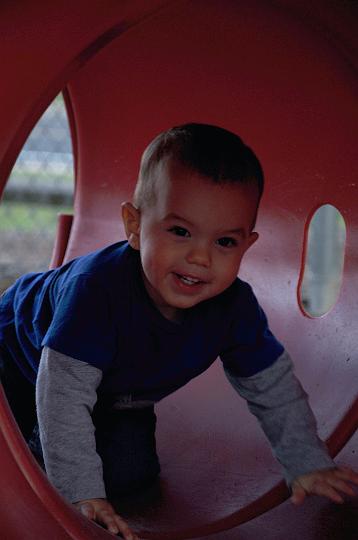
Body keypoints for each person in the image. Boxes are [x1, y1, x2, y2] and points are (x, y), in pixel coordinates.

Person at [0, 123, 357, 540]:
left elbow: (271, 386)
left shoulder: (233, 307)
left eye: (225, 242)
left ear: (248, 245)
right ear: (134, 225)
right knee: (34, 464)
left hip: (115, 392)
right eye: (180, 232)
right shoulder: (96, 291)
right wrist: (79, 496)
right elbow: (61, 394)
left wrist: (306, 462)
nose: (201, 257)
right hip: (19, 360)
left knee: (131, 477)